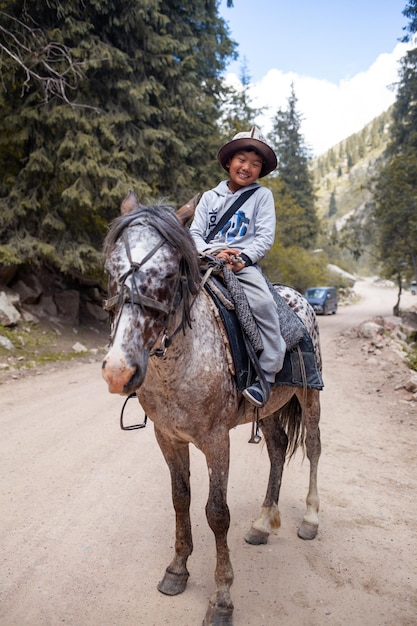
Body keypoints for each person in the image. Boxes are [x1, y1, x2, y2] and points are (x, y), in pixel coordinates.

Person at [190, 127, 286, 407]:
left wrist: (242, 258)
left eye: (255, 164)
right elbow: (195, 234)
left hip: (240, 265)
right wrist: (211, 251)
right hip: (205, 259)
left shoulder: (262, 197)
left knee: (264, 303)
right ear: (229, 161)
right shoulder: (210, 197)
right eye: (242, 160)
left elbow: (264, 237)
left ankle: (268, 372)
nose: (247, 167)